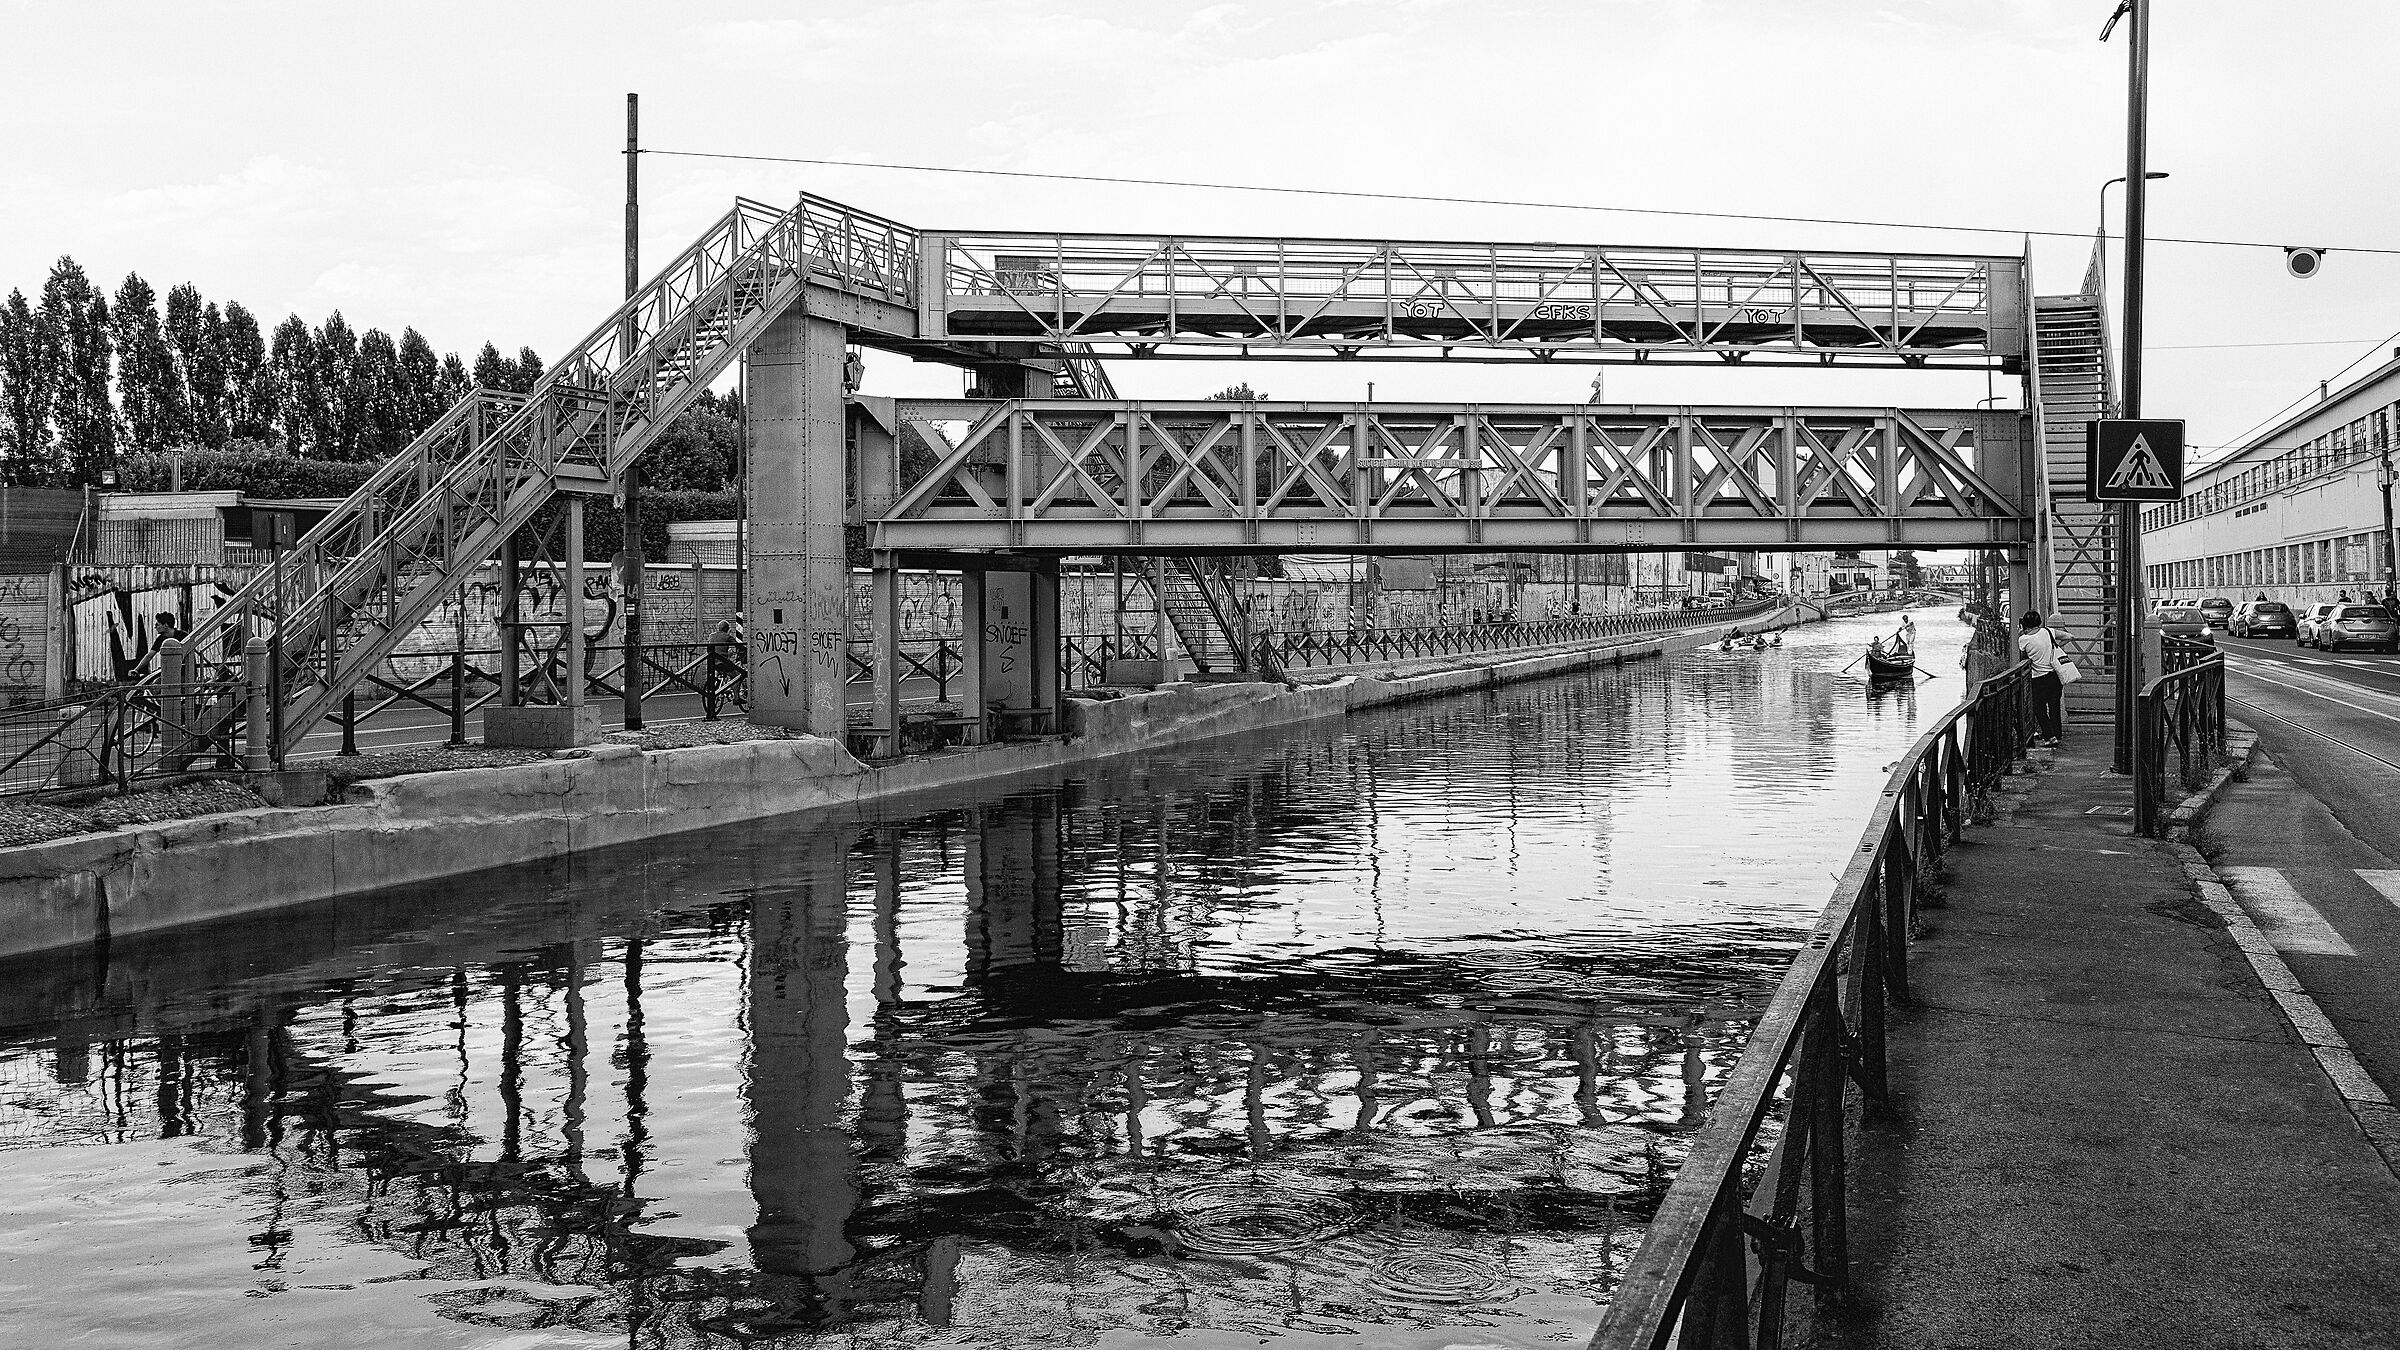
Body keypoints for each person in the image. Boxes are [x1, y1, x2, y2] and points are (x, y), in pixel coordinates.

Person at [2019, 609, 2064, 747]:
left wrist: (2021, 634)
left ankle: (2049, 737)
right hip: (2055, 676)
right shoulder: (2048, 631)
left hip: (2038, 678)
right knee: (2054, 706)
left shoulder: (2023, 639)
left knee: (2039, 709)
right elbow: (2070, 636)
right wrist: (2055, 648)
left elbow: (2023, 658)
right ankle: (2056, 734)